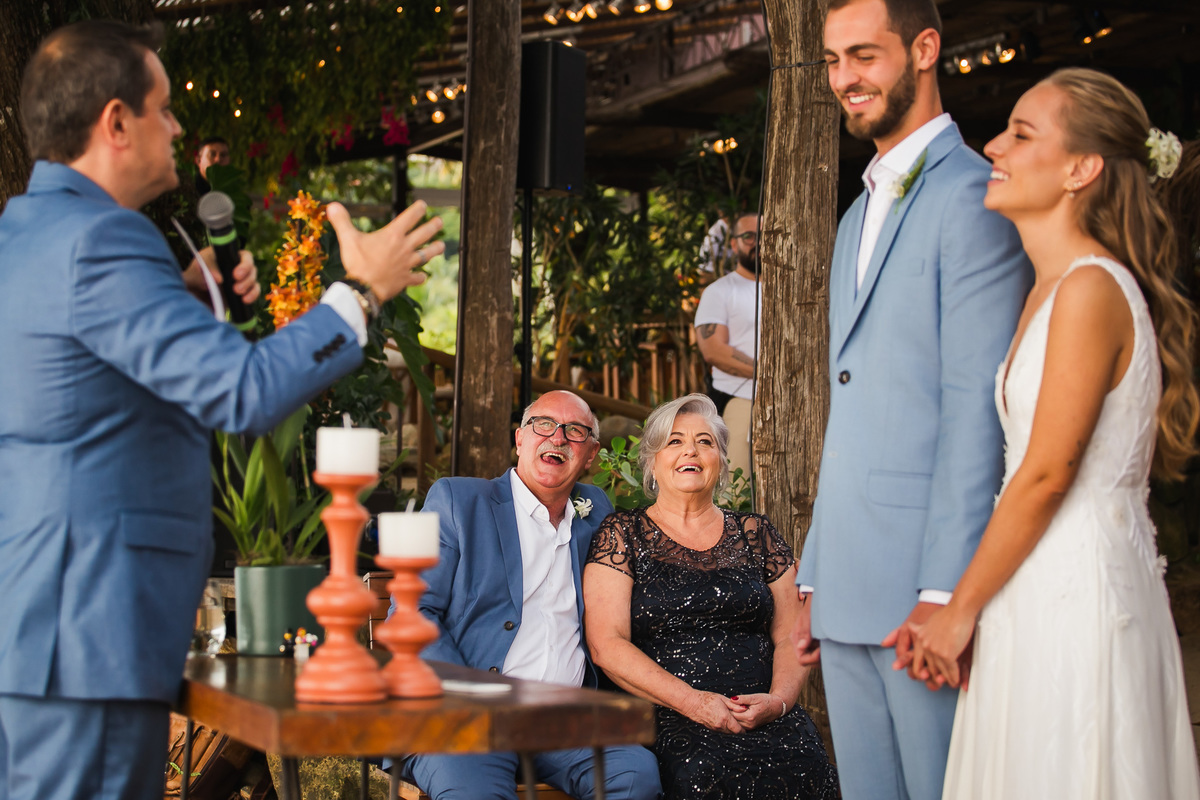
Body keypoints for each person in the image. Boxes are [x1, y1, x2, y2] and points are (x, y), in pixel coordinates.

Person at [0, 19, 443, 800]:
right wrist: (361, 293)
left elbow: (76, 382)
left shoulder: (27, 231)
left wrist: (178, 296)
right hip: (92, 628)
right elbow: (242, 393)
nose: (176, 126)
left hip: (45, 619)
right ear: (115, 122)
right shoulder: (106, 241)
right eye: (164, 109)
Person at [894, 68, 1200, 798]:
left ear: (1081, 169)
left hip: (1079, 591)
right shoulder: (1050, 287)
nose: (994, 144)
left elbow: (1046, 472)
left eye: (1022, 133)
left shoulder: (1092, 288)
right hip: (1029, 584)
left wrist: (955, 611)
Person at [791, 1, 1032, 798]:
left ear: (924, 49)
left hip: (923, 593)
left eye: (864, 55)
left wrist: (945, 592)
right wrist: (815, 571)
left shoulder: (976, 196)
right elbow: (849, 404)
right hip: (847, 580)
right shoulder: (856, 211)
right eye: (832, 61)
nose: (845, 79)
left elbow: (976, 407)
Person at [401, 390, 662, 800]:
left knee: (635, 775)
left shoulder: (597, 510)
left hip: (568, 722)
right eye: (544, 425)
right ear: (520, 439)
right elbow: (413, 610)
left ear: (590, 454)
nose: (557, 438)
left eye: (575, 431)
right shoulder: (457, 500)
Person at [584, 394, 838, 800]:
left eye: (704, 441)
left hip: (762, 710)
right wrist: (695, 704)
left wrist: (779, 702)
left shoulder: (757, 533)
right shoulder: (622, 534)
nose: (691, 450)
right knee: (698, 774)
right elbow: (607, 645)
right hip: (669, 711)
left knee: (806, 760)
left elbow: (793, 634)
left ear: (720, 459)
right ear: (652, 462)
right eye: (674, 441)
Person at [694, 214, 761, 480]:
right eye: (749, 236)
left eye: (766, 235)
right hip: (741, 398)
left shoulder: (793, 288)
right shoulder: (720, 291)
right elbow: (714, 351)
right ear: (733, 245)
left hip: (796, 398)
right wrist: (771, 375)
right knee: (737, 486)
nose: (758, 242)